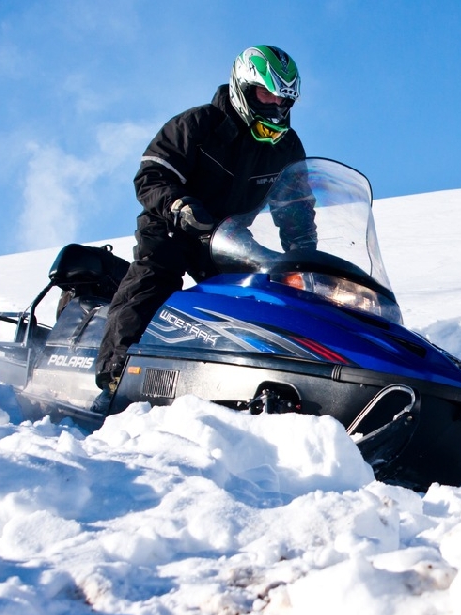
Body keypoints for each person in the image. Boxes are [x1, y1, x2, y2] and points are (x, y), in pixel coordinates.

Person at [94, 45, 310, 404]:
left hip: (226, 236)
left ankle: (270, 372)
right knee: (154, 277)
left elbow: (296, 206)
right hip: (173, 224)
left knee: (264, 289)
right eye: (265, 93)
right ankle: (115, 375)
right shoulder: (196, 124)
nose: (274, 105)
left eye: (281, 98)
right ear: (242, 88)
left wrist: (304, 252)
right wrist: (178, 204)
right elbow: (151, 175)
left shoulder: (286, 147)